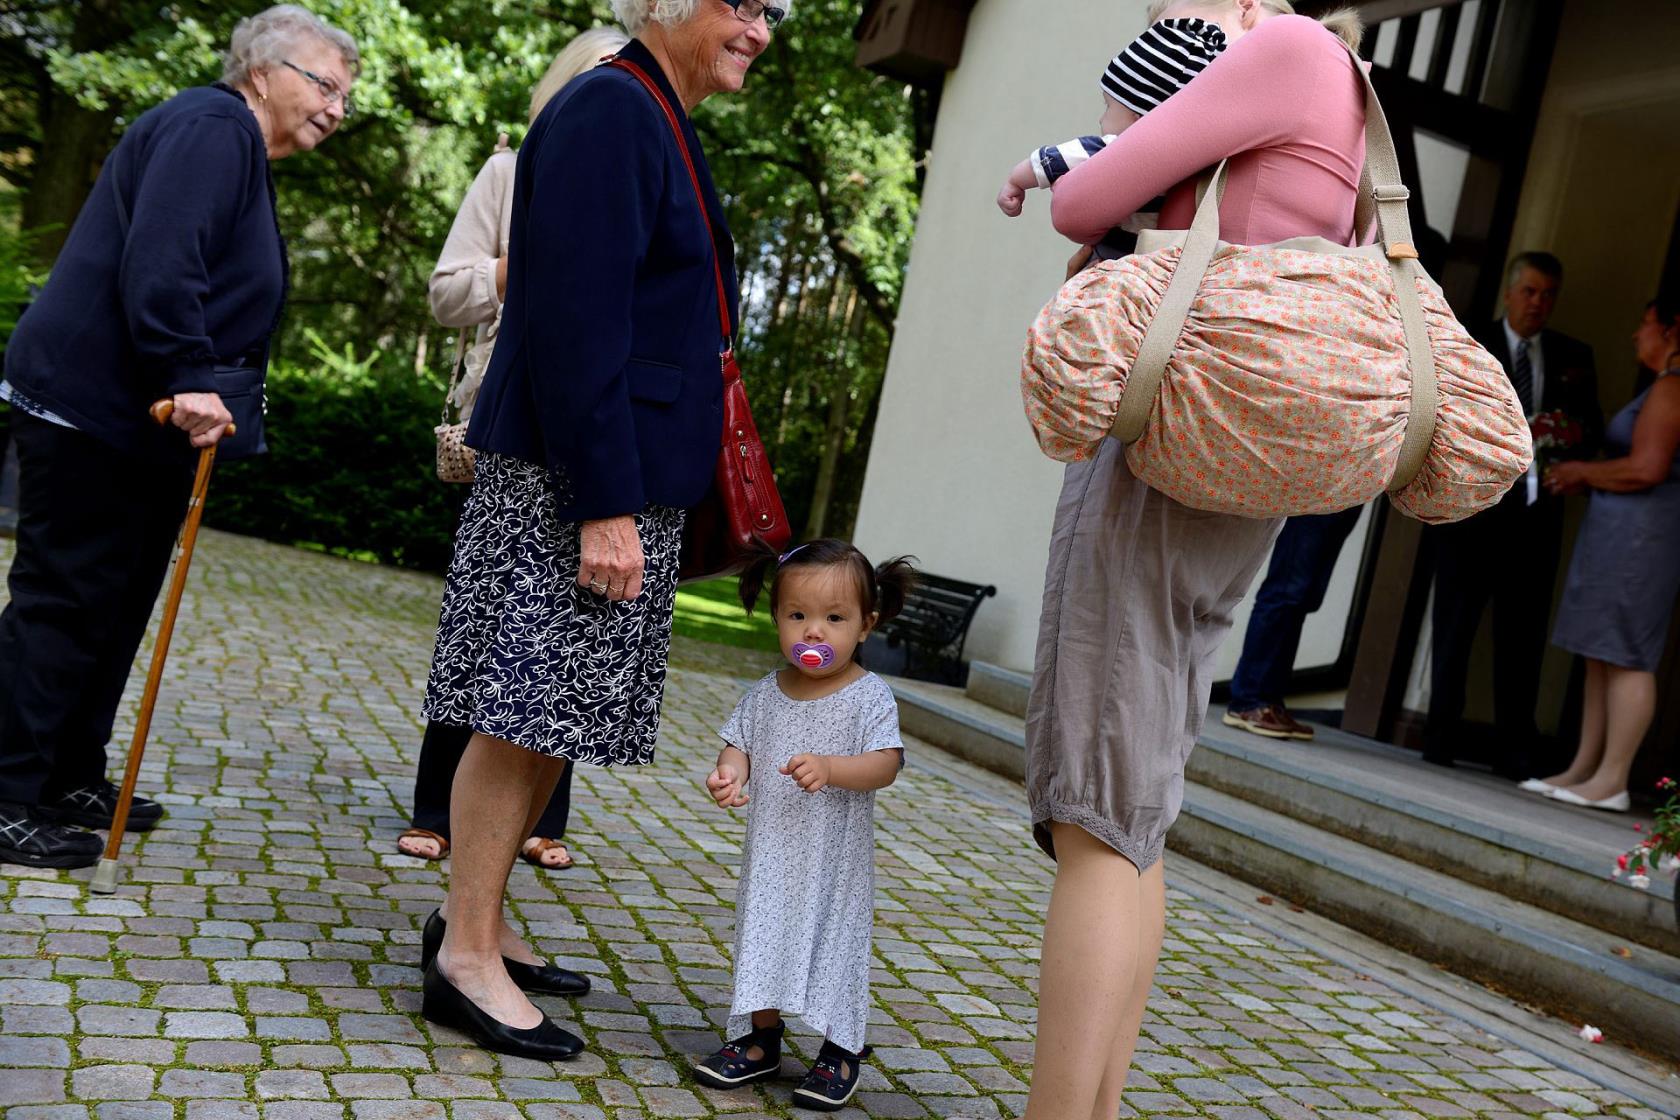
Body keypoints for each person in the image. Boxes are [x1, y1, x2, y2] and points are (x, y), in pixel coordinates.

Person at [416, 0, 784, 1061]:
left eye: (772, 10)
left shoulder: (652, 109)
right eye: (742, 3)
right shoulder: (609, 112)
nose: (760, 28)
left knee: (551, 714)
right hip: (574, 477)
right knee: (519, 710)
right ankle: (465, 960)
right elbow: (577, 324)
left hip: (602, 470)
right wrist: (605, 505)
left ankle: (477, 923)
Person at [1020, 3, 1369, 1118]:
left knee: (1094, 818)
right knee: (1135, 817)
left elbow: (1085, 195)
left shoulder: (1285, 53)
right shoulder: (1352, 86)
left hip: (1165, 447)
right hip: (1239, 462)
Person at [0, 4, 357, 870]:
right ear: (262, 71)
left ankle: (66, 772)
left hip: (135, 425)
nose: (337, 108)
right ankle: (6, 793)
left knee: (114, 603)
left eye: (348, 97)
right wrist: (189, 373)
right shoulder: (213, 127)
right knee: (66, 599)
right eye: (324, 85)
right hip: (97, 408)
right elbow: (163, 261)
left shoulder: (230, 141)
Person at [398, 25, 631, 872]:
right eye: (605, 74)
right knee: (488, 620)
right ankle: (438, 806)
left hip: (593, 427)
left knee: (571, 623)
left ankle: (542, 816)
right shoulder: (510, 170)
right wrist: (526, 261)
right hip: (506, 422)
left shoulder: (635, 176)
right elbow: (447, 294)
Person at [693, 540, 912, 1110]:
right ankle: (761, 1040)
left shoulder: (869, 697)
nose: (814, 632)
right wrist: (728, 774)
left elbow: (886, 763)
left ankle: (841, 1049)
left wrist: (834, 768)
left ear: (865, 625)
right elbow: (737, 744)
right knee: (760, 937)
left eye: (834, 618)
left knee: (835, 947)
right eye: (798, 616)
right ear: (777, 619)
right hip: (771, 854)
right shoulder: (765, 693)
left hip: (832, 863)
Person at [1424, 252, 1601, 777]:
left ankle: (1513, 751)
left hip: (1535, 522)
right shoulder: (1470, 338)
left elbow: (1590, 426)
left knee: (1522, 639)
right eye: (1530, 292)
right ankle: (1438, 740)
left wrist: (1561, 437)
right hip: (1471, 515)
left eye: (1548, 295)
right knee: (1453, 630)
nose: (1538, 304)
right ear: (1509, 293)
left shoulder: (1573, 355)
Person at [1527, 297, 1680, 812]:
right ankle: (1583, 769)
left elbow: (1647, 468)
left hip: (1644, 540)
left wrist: (1581, 472)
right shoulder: (1662, 388)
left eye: (1645, 324)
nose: (1638, 336)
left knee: (1628, 654)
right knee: (1599, 651)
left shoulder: (1672, 389)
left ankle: (1612, 778)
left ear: (1672, 331)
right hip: (1622, 535)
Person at [995, 10, 1230, 257]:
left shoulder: (1119, 150)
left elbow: (1054, 159)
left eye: (1108, 107)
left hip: (1112, 259)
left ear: (1138, 118)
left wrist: (1015, 182)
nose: (1100, 118)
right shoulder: (1195, 161)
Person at [1222, 506, 1365, 739]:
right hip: (1321, 480)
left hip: (1350, 484)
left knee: (1304, 593)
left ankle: (1268, 699)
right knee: (1288, 588)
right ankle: (1249, 700)